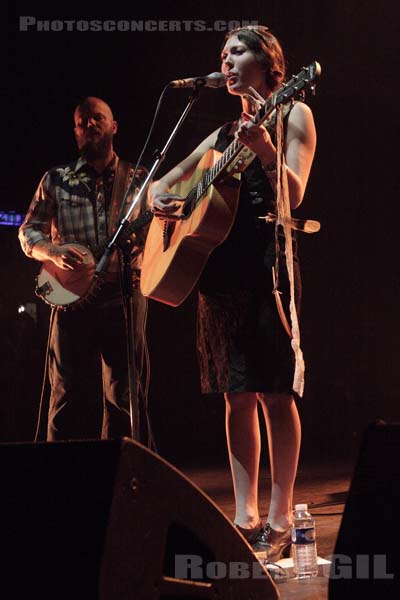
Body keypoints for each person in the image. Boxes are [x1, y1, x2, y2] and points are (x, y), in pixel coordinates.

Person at [150, 26, 317, 562]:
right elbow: (165, 182)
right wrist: (161, 198)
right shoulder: (223, 133)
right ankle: (244, 515)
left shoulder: (293, 114)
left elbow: (294, 195)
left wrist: (267, 150)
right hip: (218, 272)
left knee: (273, 392)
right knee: (235, 393)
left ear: (270, 62)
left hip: (264, 265)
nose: (225, 60)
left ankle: (281, 514)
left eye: (237, 51)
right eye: (222, 53)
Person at [19, 97, 148, 441]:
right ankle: (58, 483)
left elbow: (159, 235)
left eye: (97, 118)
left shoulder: (137, 179)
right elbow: (28, 231)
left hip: (122, 295)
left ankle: (118, 483)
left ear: (113, 126)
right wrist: (53, 251)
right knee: (65, 395)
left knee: (124, 398)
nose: (89, 125)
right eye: (82, 121)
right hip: (68, 296)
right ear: (75, 132)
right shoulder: (56, 179)